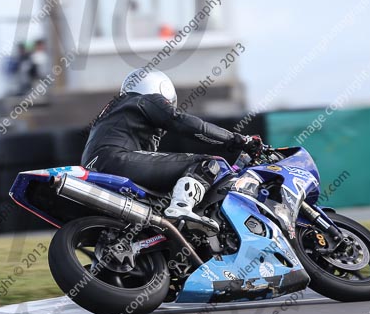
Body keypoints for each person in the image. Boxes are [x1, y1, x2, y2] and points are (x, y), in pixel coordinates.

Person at [81, 69, 262, 231]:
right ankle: (181, 208)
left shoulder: (112, 112)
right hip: (117, 160)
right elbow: (186, 124)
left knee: (167, 191)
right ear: (161, 88)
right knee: (208, 164)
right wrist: (236, 139)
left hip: (95, 166)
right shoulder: (144, 100)